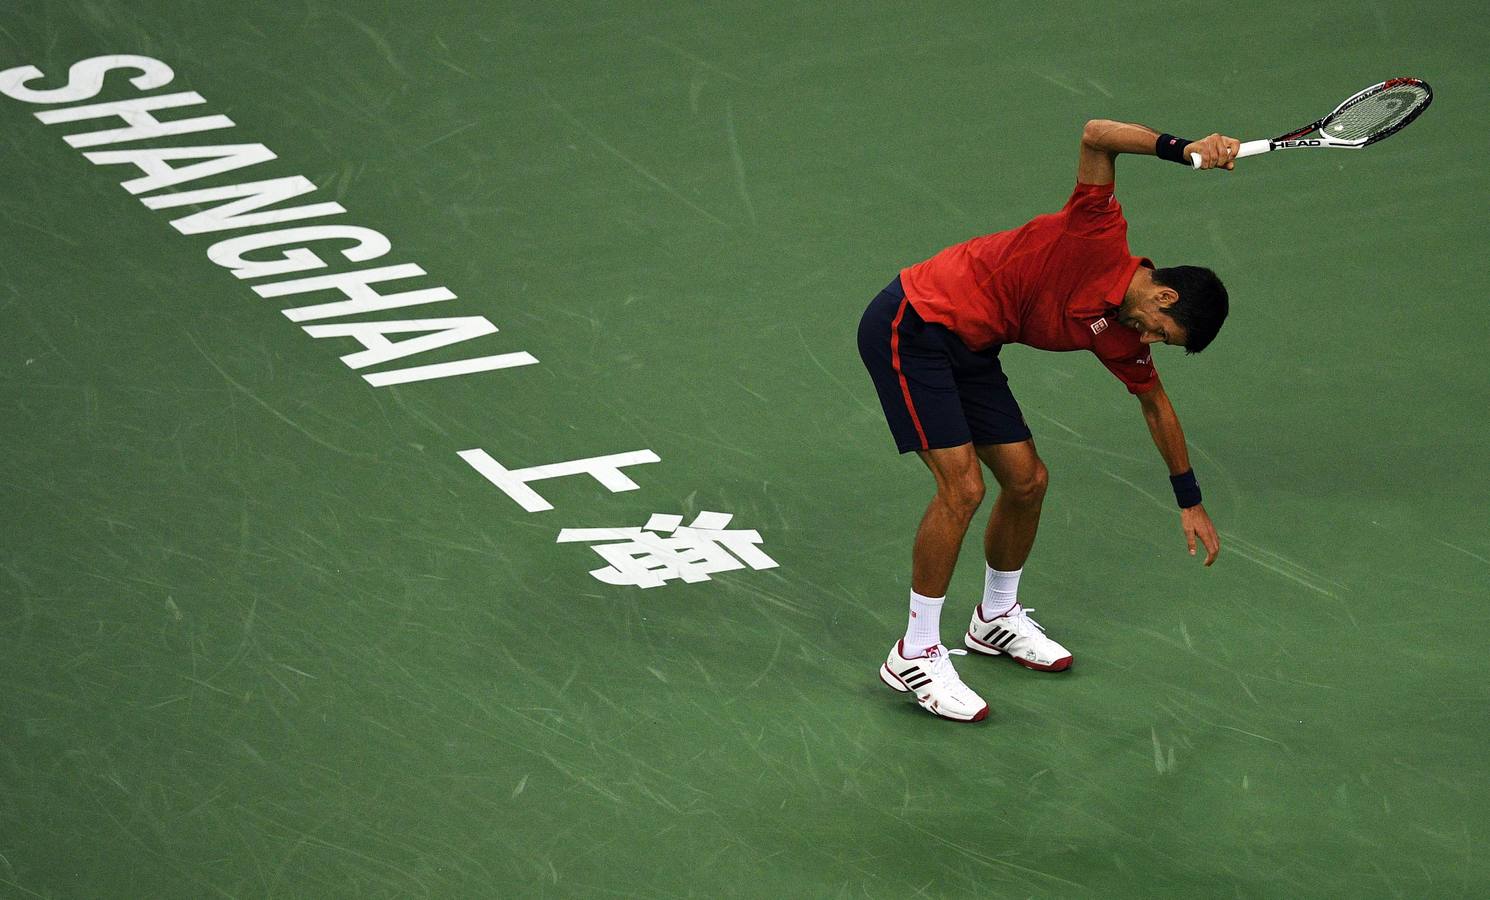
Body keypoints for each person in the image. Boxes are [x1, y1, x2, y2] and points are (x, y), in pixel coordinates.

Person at [858, 120, 1237, 722]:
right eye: (1159, 331)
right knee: (963, 488)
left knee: (1028, 481)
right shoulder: (1099, 230)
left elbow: (1155, 404)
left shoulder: (1119, 336)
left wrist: (1189, 499)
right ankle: (916, 650)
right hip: (916, 320)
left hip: (974, 348)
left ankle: (995, 620)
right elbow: (1096, 135)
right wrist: (1182, 148)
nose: (1148, 341)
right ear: (1163, 297)